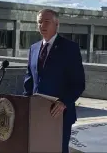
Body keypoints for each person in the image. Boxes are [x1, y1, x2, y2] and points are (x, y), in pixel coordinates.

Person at [23, 9, 85, 153]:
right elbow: (29, 80)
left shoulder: (70, 48)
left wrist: (64, 102)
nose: (42, 25)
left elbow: (78, 83)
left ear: (56, 24)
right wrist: (25, 105)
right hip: (37, 114)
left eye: (46, 22)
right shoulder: (34, 48)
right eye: (39, 22)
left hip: (59, 115)